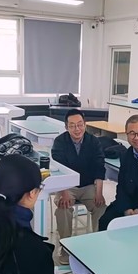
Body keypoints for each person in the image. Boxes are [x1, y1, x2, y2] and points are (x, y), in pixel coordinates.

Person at [52, 109, 106, 264]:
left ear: (85, 124)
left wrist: (99, 193)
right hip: (66, 186)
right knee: (63, 208)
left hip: (88, 186)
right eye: (72, 125)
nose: (77, 129)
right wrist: (64, 192)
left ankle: (100, 245)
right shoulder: (60, 142)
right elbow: (59, 168)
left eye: (80, 124)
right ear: (66, 127)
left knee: (101, 208)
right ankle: (66, 248)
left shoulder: (93, 142)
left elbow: (99, 167)